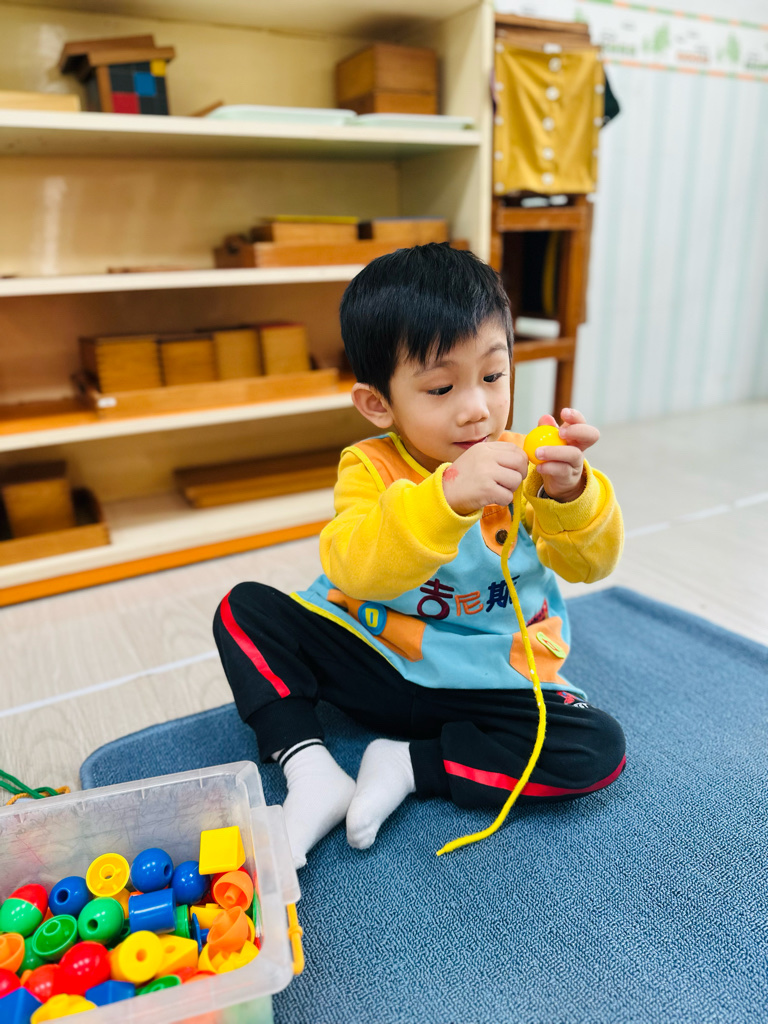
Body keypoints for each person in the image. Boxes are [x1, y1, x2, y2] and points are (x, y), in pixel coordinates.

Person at [214, 243, 626, 869]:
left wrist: (573, 495)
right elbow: (353, 566)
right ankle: (311, 771)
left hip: (484, 676)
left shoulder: (528, 466)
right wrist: (448, 497)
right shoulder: (370, 466)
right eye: (441, 387)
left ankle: (408, 763)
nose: (477, 408)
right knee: (244, 610)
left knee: (596, 747)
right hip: (378, 659)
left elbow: (591, 566)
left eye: (493, 376)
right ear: (379, 404)